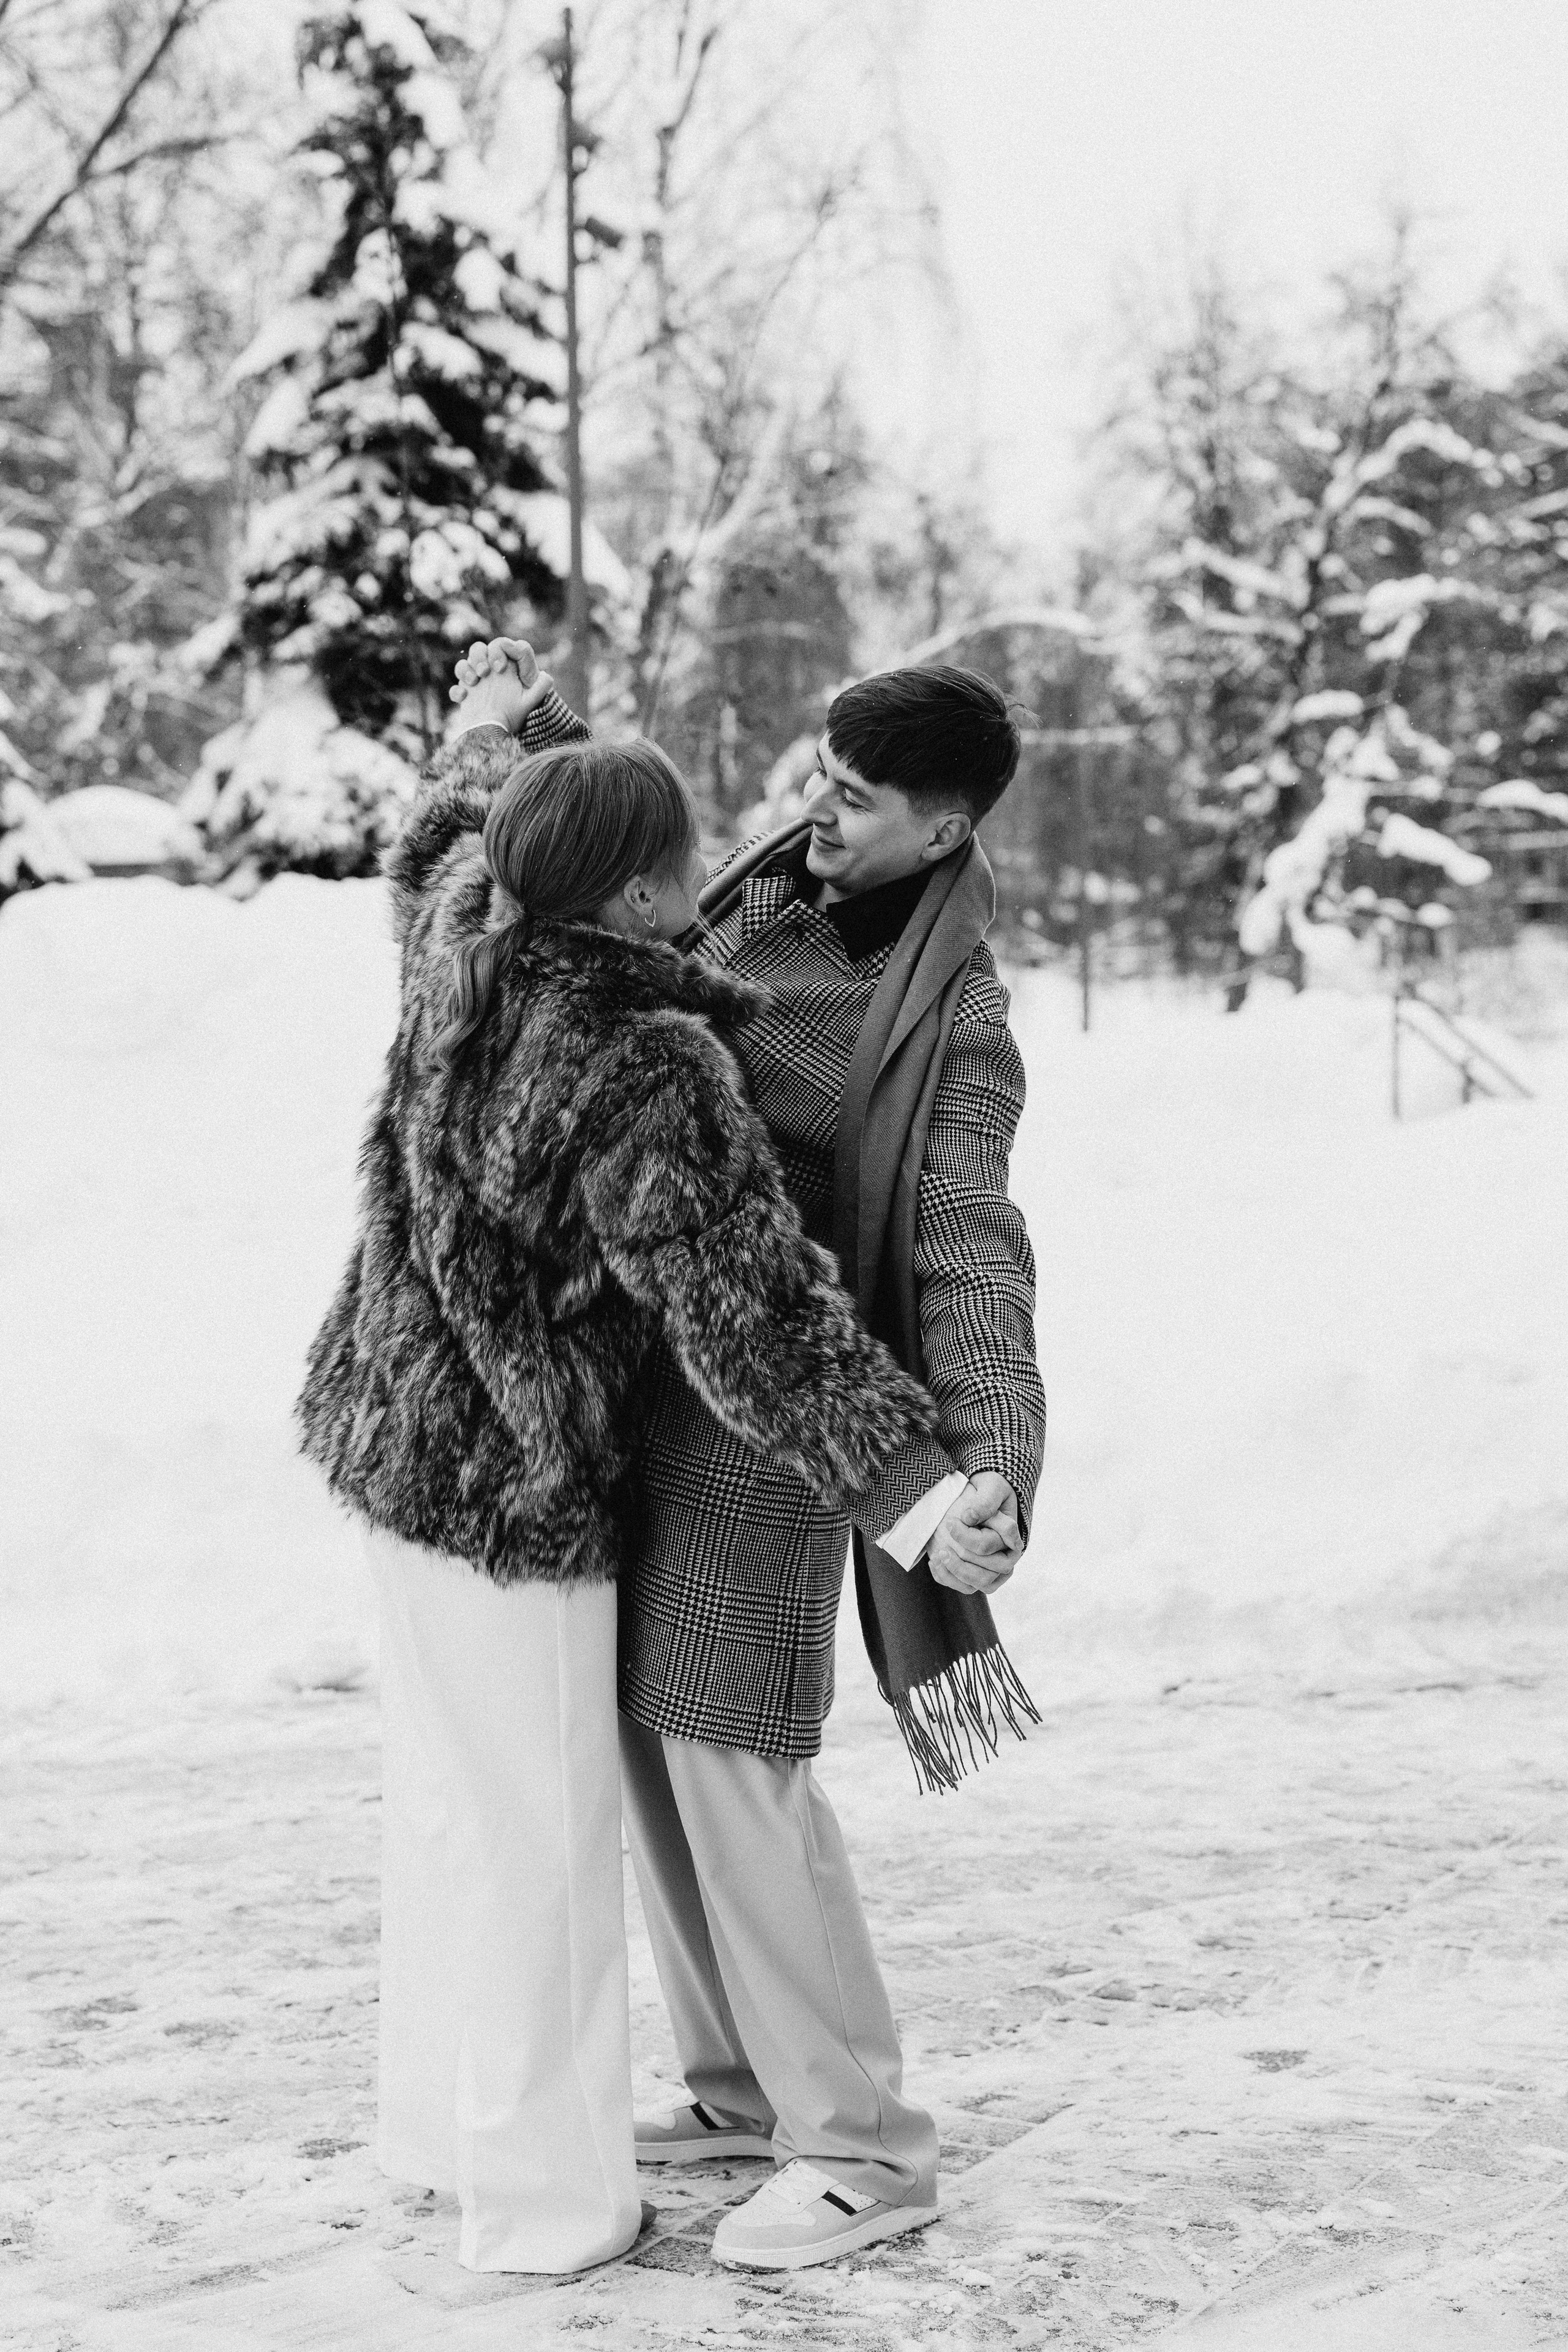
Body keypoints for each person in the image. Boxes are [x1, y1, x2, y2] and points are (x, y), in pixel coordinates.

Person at [295, 649, 935, 2276]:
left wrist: (517, 724)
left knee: (454, 1815)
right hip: (516, 1492)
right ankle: (548, 2208)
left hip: (388, 1441)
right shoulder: (647, 1061)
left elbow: (457, 815)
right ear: (650, 898)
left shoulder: (458, 917)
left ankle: (440, 2134)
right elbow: (752, 1316)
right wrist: (910, 1483)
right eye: (681, 858)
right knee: (544, 1853)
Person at [449, 642, 1046, 2273]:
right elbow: (600, 896)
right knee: (650, 1757)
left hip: (786, 1426)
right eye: (820, 775)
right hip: (647, 1385)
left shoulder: (947, 1028)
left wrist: (990, 1451)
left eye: (856, 801)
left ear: (944, 830)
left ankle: (863, 2146)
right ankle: (734, 2091)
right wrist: (536, 742)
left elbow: (969, 1250)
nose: (817, 812)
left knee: (736, 1760)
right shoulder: (761, 895)